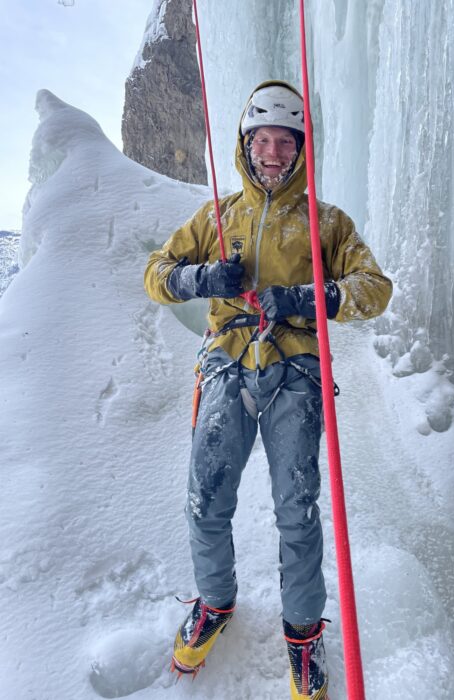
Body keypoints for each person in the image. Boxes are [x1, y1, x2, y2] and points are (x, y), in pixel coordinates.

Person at [144, 80, 392, 699]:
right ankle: (216, 603)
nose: (274, 152)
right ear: (246, 145)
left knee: (297, 512)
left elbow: (374, 288)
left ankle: (304, 638)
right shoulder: (217, 217)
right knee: (206, 500)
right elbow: (156, 274)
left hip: (296, 372)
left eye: (286, 141)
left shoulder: (326, 223)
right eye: (263, 140)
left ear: (300, 148)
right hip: (228, 363)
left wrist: (307, 297)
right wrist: (203, 276)